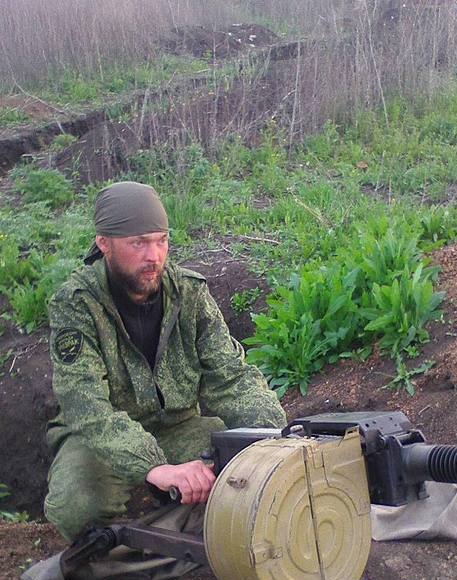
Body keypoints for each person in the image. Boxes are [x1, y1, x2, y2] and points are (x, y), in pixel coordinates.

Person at [44, 181, 286, 541]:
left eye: (161, 240)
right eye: (138, 243)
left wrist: (274, 437)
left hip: (178, 427)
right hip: (100, 436)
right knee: (78, 508)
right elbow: (87, 408)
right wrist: (155, 468)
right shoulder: (77, 304)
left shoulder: (189, 293)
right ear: (104, 243)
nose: (154, 256)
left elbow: (233, 378)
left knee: (244, 467)